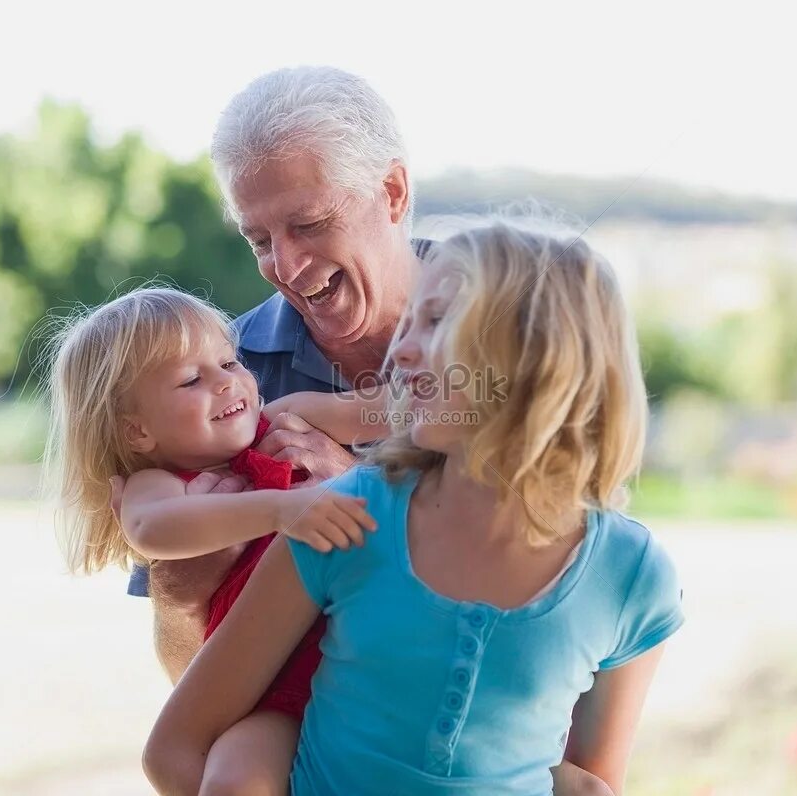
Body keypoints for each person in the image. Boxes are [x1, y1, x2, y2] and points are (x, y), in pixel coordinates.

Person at [142, 220, 685, 796]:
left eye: (436, 322)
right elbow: (177, 748)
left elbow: (589, 783)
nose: (400, 349)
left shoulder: (633, 576)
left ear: (537, 357)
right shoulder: (345, 517)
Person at [127, 66, 432, 684]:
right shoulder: (216, 381)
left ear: (393, 192)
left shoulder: (516, 330)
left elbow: (583, 574)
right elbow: (191, 683)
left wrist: (359, 496)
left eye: (310, 224)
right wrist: (182, 595)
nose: (285, 266)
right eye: (258, 238)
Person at [46, 286, 390, 793]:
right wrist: (277, 508)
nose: (226, 383)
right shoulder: (160, 488)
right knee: (232, 779)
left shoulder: (287, 416)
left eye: (229, 362)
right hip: (270, 688)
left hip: (367, 654)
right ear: (137, 430)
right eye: (191, 379)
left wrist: (491, 392)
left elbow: (385, 410)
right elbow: (152, 531)